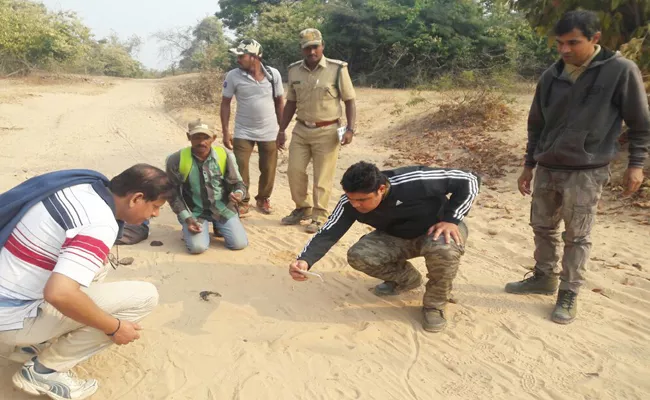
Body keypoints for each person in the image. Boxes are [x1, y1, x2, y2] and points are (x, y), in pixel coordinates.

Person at [507, 10, 650, 324]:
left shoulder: (620, 71)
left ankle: (568, 292)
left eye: (573, 42)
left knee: (577, 235)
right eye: (559, 43)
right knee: (542, 228)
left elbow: (640, 124)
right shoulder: (551, 75)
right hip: (547, 166)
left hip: (587, 169)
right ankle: (543, 276)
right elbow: (536, 125)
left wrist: (636, 165)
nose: (564, 50)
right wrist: (529, 165)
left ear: (595, 39)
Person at [0, 164, 172, 399]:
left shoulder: (82, 187)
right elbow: (59, 294)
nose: (154, 215)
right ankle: (44, 370)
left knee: (96, 268)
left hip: (7, 290)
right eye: (155, 207)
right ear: (137, 198)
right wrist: (115, 327)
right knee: (144, 297)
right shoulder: (99, 224)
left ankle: (31, 342)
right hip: (10, 320)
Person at [289, 162, 480, 332]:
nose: (355, 204)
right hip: (396, 237)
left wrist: (452, 219)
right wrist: (305, 260)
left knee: (445, 250)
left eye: (362, 200)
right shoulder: (349, 203)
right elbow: (328, 233)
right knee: (359, 255)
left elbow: (469, 179)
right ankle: (407, 279)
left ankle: (435, 304)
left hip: (437, 230)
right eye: (351, 198)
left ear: (381, 189)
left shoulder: (412, 181)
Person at [279, 28, 357, 233]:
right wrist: (281, 130)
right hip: (301, 129)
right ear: (301, 50)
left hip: (327, 130)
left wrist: (350, 129)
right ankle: (302, 208)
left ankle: (320, 215)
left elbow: (349, 100)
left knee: (322, 176)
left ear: (322, 46)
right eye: (307, 48)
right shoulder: (294, 70)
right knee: (294, 171)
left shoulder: (337, 69)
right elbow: (290, 103)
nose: (311, 52)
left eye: (315, 47)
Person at [221, 39, 284, 215]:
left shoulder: (273, 75)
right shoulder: (233, 76)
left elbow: (280, 102)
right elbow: (225, 104)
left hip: (269, 130)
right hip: (243, 130)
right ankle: (243, 200)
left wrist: (282, 130)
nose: (238, 59)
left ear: (255, 57)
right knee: (240, 167)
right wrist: (226, 132)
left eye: (242, 56)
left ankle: (263, 199)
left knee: (269, 168)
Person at [166, 119, 248, 254]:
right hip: (195, 212)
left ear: (214, 138)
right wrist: (187, 218)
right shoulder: (176, 159)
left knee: (239, 244)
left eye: (206, 138)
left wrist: (238, 193)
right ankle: (190, 229)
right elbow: (172, 194)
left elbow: (238, 183)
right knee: (197, 248)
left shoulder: (225, 155)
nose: (201, 142)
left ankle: (218, 224)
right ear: (188, 137)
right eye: (196, 137)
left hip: (222, 209)